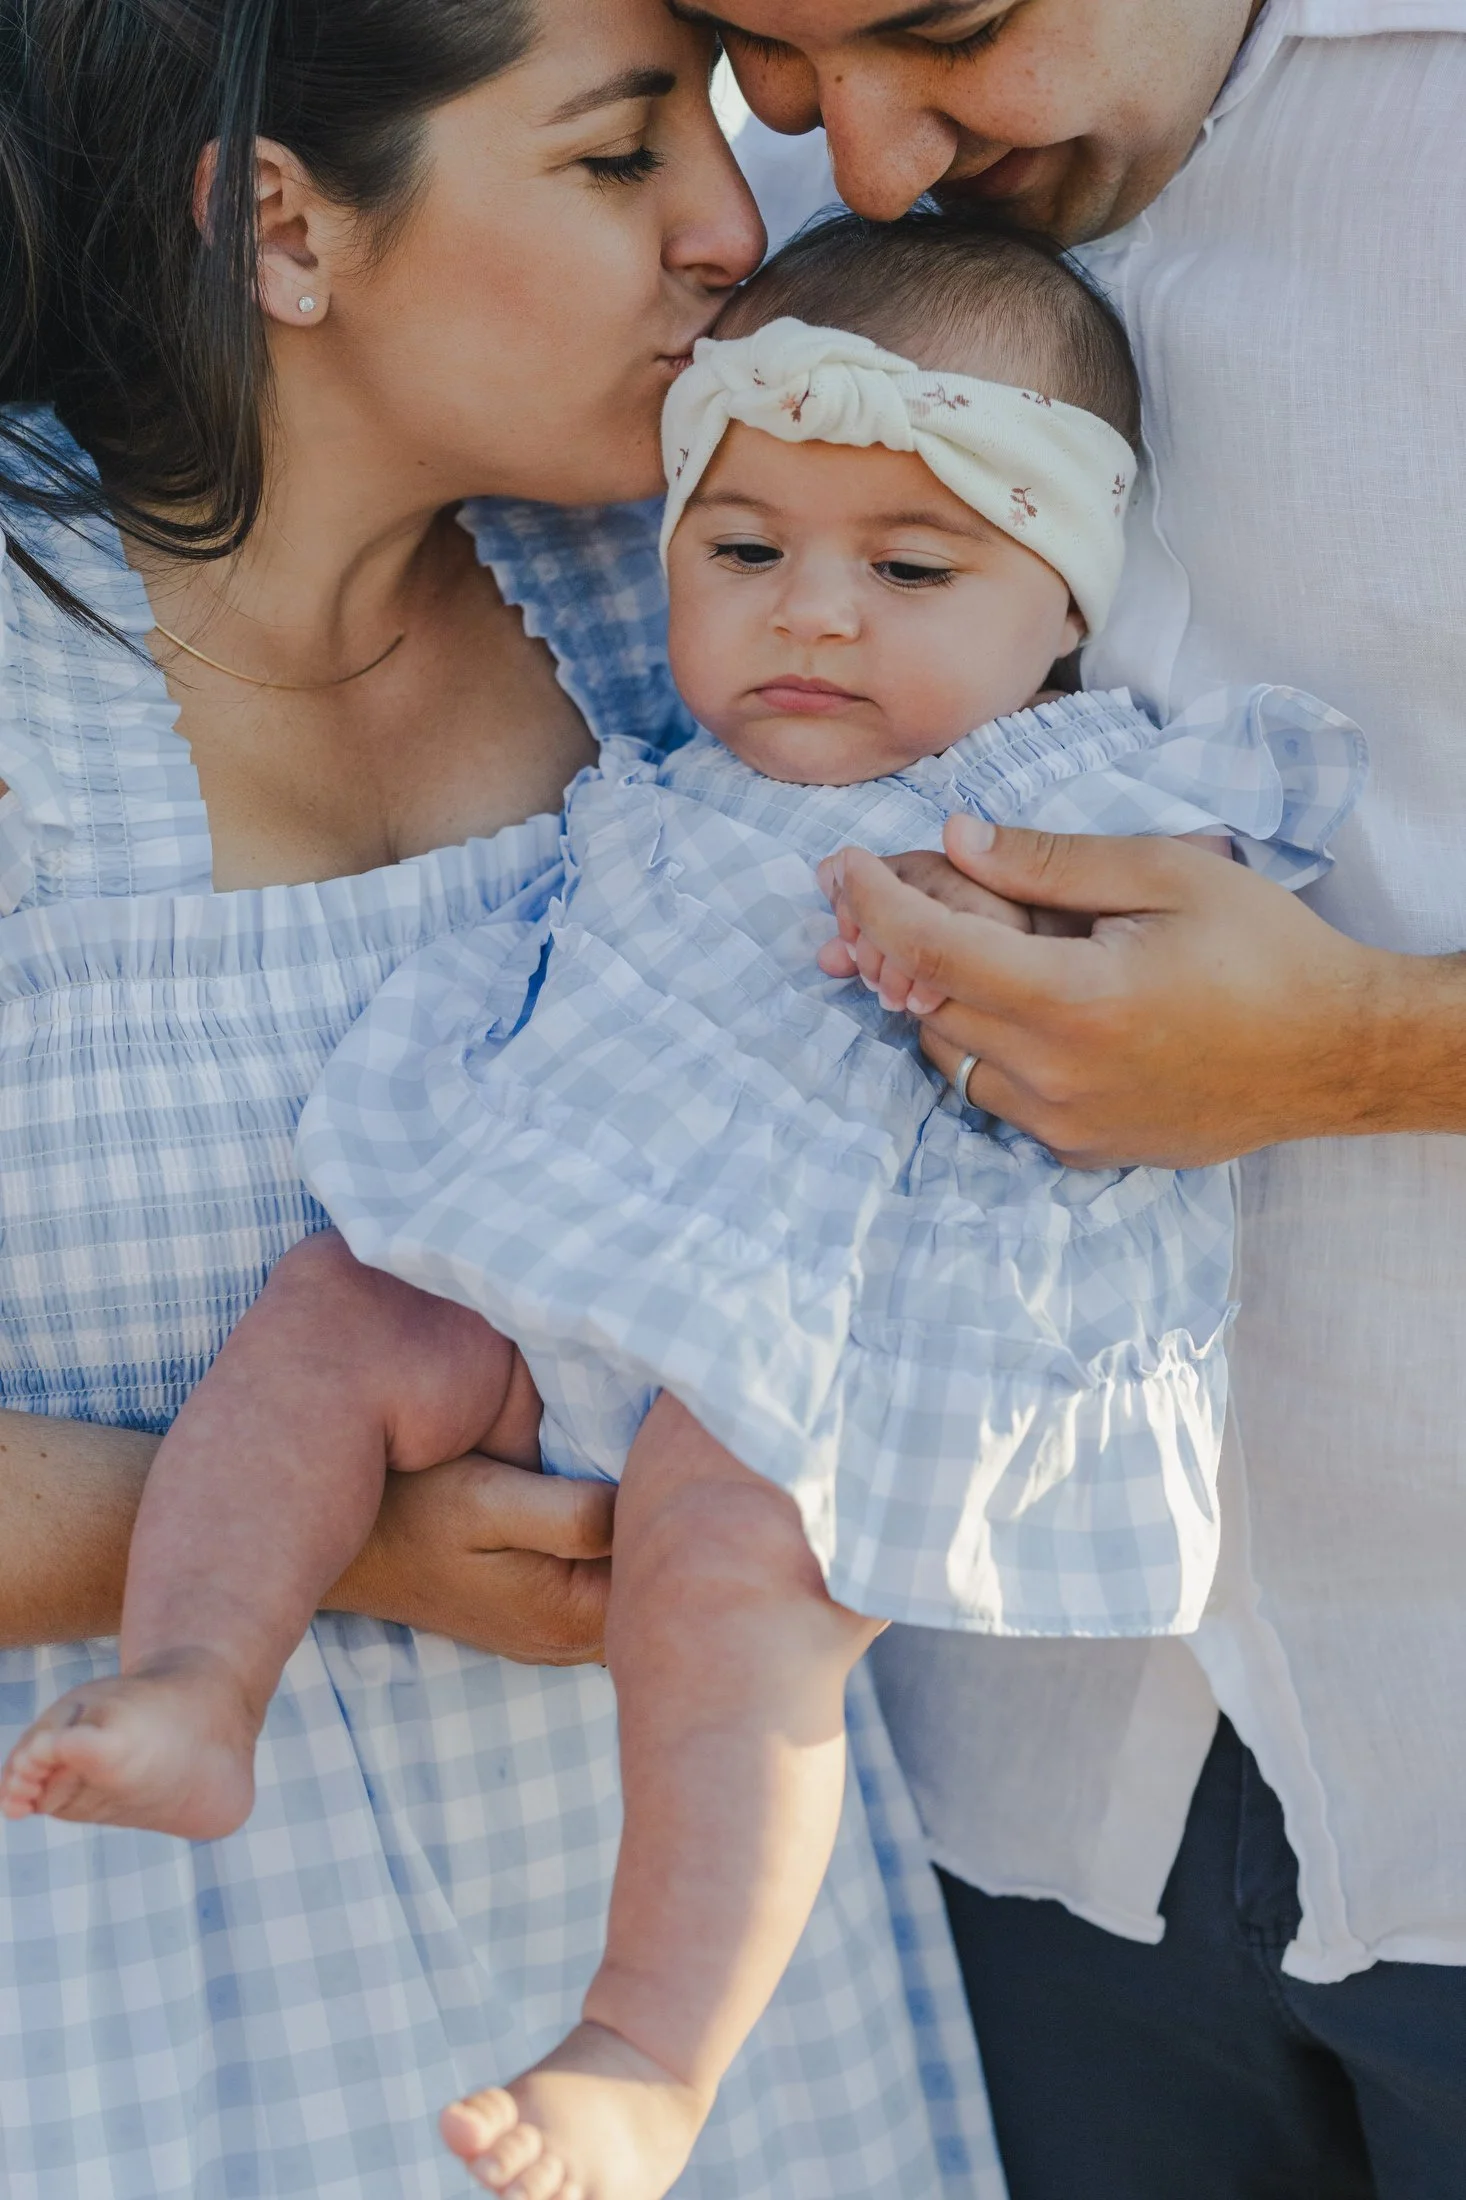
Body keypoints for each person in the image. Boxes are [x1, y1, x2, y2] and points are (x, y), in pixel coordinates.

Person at [2, 207, 1364, 2198]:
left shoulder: (1073, 785)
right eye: (743, 553)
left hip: (808, 1324)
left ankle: (646, 2036)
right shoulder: (652, 709)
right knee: (325, 1323)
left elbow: (1190, 981)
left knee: (739, 1566)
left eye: (908, 569)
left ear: (1058, 608)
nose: (811, 612)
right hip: (555, 1237)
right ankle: (203, 1672)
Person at [0, 5, 1001, 2196]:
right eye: (615, 150)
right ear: (279, 222)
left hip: (698, 1990)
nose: (733, 228)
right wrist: (335, 1532)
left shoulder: (704, 624)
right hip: (122, 1993)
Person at [695, 1, 1466, 2193]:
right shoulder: (711, 215)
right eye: (760, 44)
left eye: (943, 29)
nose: (855, 156)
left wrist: (1369, 1049)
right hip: (982, 1796)